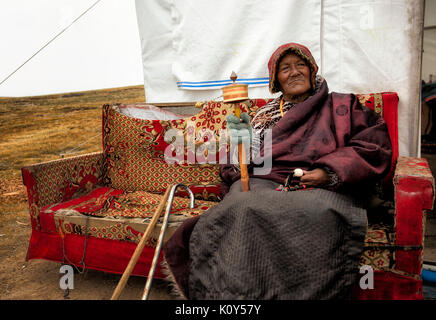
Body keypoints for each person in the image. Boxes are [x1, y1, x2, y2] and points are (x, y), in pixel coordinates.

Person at [163, 42, 392, 299]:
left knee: (316, 210)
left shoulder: (342, 106)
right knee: (240, 206)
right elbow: (241, 165)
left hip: (320, 183)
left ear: (312, 69)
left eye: (300, 65)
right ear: (276, 80)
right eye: (285, 69)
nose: (294, 72)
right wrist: (241, 142)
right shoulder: (263, 114)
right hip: (267, 180)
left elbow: (372, 144)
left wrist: (328, 172)